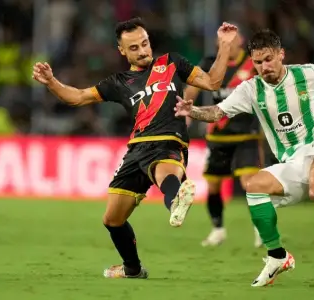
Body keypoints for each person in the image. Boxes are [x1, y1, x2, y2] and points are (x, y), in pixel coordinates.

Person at [32, 17, 238, 279]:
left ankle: (176, 196)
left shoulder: (172, 62)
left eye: (145, 43)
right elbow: (79, 97)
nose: (142, 51)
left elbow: (212, 82)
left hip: (168, 139)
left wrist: (224, 45)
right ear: (121, 51)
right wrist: (51, 82)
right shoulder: (118, 82)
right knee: (112, 219)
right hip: (135, 149)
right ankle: (132, 268)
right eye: (134, 48)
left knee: (164, 171)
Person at [174, 28, 314, 287]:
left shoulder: (307, 73)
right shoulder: (251, 89)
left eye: (268, 59)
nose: (264, 67)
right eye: (257, 62)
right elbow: (218, 112)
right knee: (254, 187)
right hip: (292, 160)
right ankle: (277, 256)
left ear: (281, 55)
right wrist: (193, 110)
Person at [183, 28, 265, 247]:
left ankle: (260, 230)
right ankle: (218, 229)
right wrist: (187, 110)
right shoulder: (210, 62)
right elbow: (192, 85)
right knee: (213, 187)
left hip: (246, 134)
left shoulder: (252, 63)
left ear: (240, 40)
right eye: (220, 41)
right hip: (218, 134)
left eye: (229, 39)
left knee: (250, 184)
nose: (225, 44)